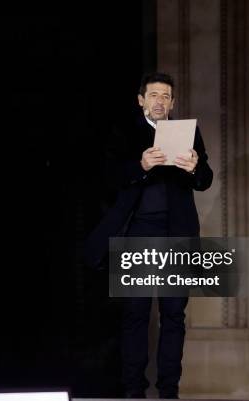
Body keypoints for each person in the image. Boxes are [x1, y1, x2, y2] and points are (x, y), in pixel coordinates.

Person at [85, 72, 213, 398]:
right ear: (141, 99)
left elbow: (205, 180)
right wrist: (140, 166)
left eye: (166, 96)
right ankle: (134, 391)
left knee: (173, 316)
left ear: (173, 102)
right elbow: (110, 177)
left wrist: (195, 167)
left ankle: (169, 391)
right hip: (139, 233)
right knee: (136, 315)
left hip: (177, 233)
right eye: (153, 95)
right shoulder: (125, 132)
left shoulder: (188, 132)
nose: (160, 101)